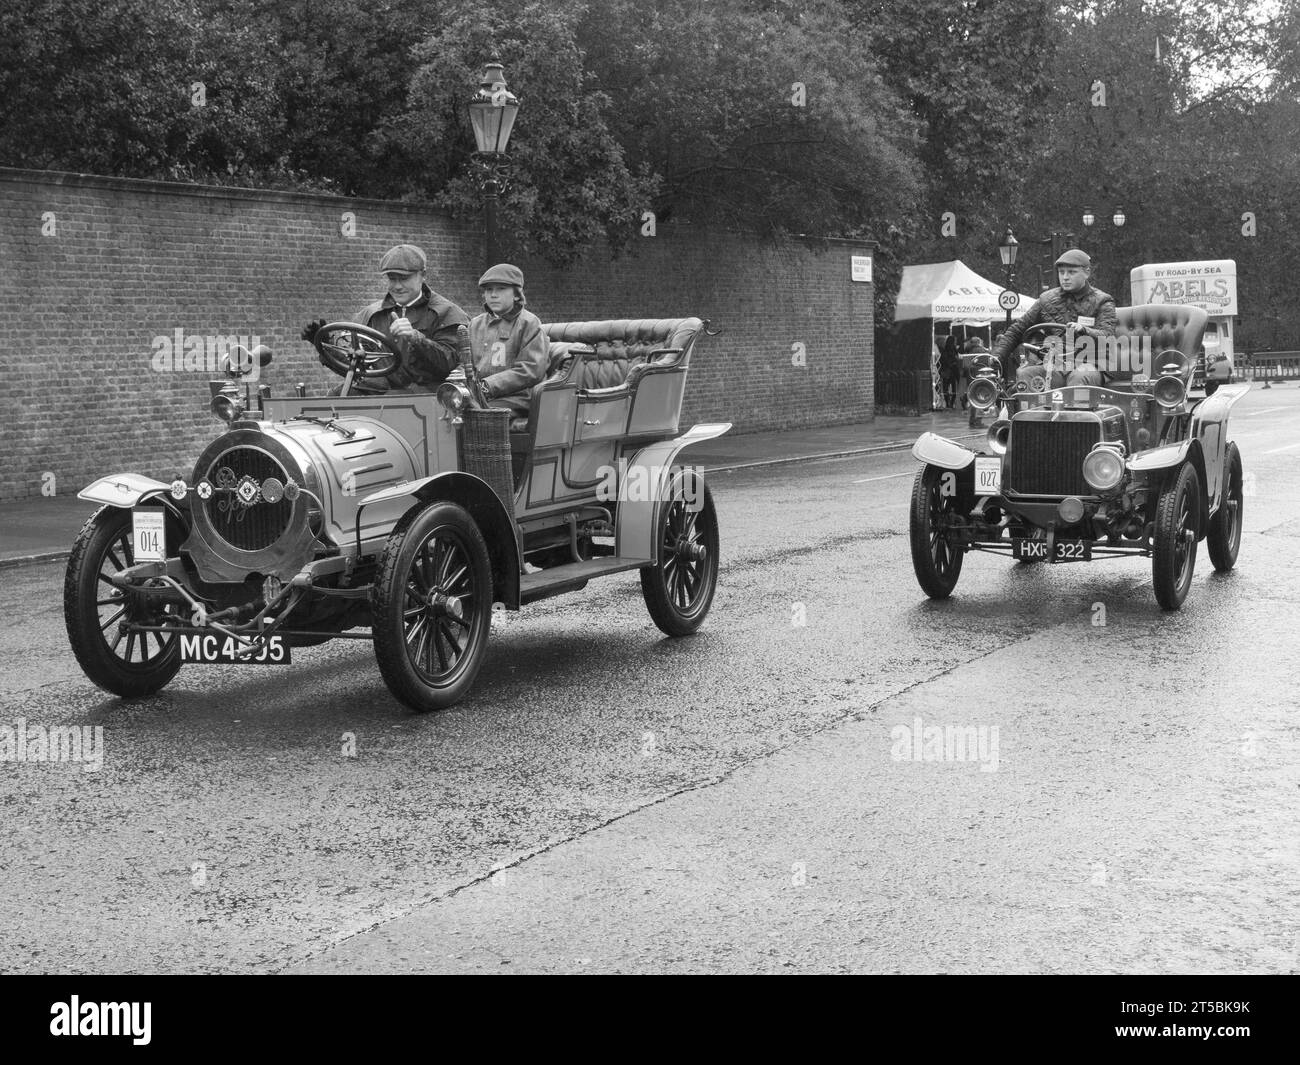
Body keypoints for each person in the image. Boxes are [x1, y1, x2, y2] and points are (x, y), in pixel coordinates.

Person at [302, 243, 470, 392]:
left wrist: (416, 338)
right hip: (381, 396)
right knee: (337, 397)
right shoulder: (371, 315)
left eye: (404, 278)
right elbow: (356, 371)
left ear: (423, 275)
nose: (397, 286)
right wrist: (325, 347)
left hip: (428, 399)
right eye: (392, 278)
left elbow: (451, 366)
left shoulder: (446, 313)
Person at [992, 248, 1117, 391]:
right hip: (1056, 365)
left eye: (1071, 272)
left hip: (1092, 363)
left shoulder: (1103, 301)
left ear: (1087, 273)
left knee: (1079, 377)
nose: (1065, 277)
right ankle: (1029, 413)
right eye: (1061, 272)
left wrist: (1084, 330)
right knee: (1025, 374)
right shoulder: (1046, 300)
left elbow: (1107, 335)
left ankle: (1076, 414)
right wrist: (996, 357)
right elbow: (1016, 330)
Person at [466, 263, 549, 415]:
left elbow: (531, 369)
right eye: (489, 289)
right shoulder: (475, 324)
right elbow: (465, 364)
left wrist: (488, 386)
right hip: (479, 396)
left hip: (518, 397)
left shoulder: (529, 323)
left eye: (501, 289)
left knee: (478, 414)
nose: (493, 295)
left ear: (517, 294)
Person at [938, 335, 959, 409]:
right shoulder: (954, 350)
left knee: (946, 387)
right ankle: (952, 403)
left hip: (946, 370)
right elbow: (956, 358)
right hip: (953, 370)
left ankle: (947, 403)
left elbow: (943, 360)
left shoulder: (944, 350)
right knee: (954, 388)